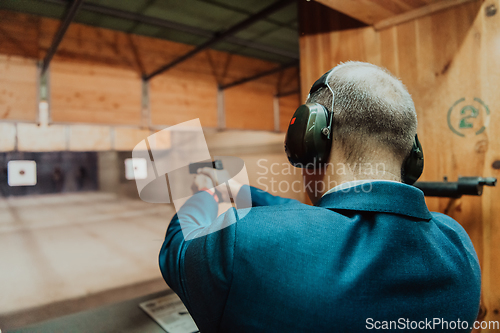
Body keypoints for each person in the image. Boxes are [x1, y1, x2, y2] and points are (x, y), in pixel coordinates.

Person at [159, 61, 481, 332]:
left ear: (308, 141)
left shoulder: (242, 244)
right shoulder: (458, 246)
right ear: (412, 156)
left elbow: (178, 247)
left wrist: (202, 189)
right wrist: (240, 192)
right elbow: (323, 222)